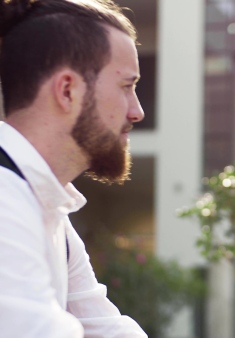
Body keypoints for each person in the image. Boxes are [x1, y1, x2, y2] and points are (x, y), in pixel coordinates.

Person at [0, 0, 147, 336]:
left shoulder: (48, 210)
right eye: (126, 86)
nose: (137, 111)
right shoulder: (4, 200)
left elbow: (107, 329)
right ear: (67, 90)